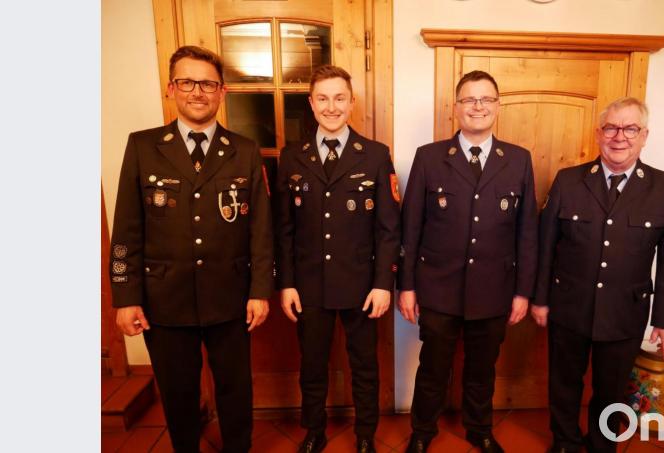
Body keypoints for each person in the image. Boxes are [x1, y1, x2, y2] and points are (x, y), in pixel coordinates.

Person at [110, 45, 273, 453]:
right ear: (171, 88)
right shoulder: (144, 146)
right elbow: (126, 230)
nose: (197, 92)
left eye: (208, 84)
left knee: (236, 389)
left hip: (230, 296)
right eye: (187, 82)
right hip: (165, 298)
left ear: (222, 92)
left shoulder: (245, 150)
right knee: (178, 390)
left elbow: (260, 229)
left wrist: (259, 290)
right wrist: (125, 297)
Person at [531, 97, 664, 453]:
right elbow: (545, 246)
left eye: (630, 128)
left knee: (612, 388)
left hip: (625, 311)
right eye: (612, 128)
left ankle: (603, 445)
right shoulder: (568, 180)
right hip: (568, 305)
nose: (620, 137)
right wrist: (540, 299)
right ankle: (565, 442)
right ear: (599, 133)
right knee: (564, 382)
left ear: (644, 135)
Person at [398, 70, 539, 453]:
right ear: (456, 107)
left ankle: (479, 429)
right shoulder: (429, 157)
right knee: (433, 368)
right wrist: (406, 287)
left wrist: (523, 292)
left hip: (495, 288)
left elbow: (528, 233)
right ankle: (422, 432)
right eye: (470, 100)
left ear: (497, 105)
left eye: (486, 99)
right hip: (438, 287)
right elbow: (410, 228)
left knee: (482, 369)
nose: (478, 107)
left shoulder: (518, 160)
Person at [275, 65, 401, 453]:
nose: (332, 107)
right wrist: (287, 283)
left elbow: (387, 229)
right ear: (312, 104)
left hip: (362, 285)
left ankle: (365, 434)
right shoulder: (292, 156)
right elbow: (283, 228)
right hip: (309, 285)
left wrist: (383, 284)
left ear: (352, 102)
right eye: (323, 99)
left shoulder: (376, 156)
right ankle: (314, 431)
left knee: (364, 365)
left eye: (340, 98)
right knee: (312, 366)